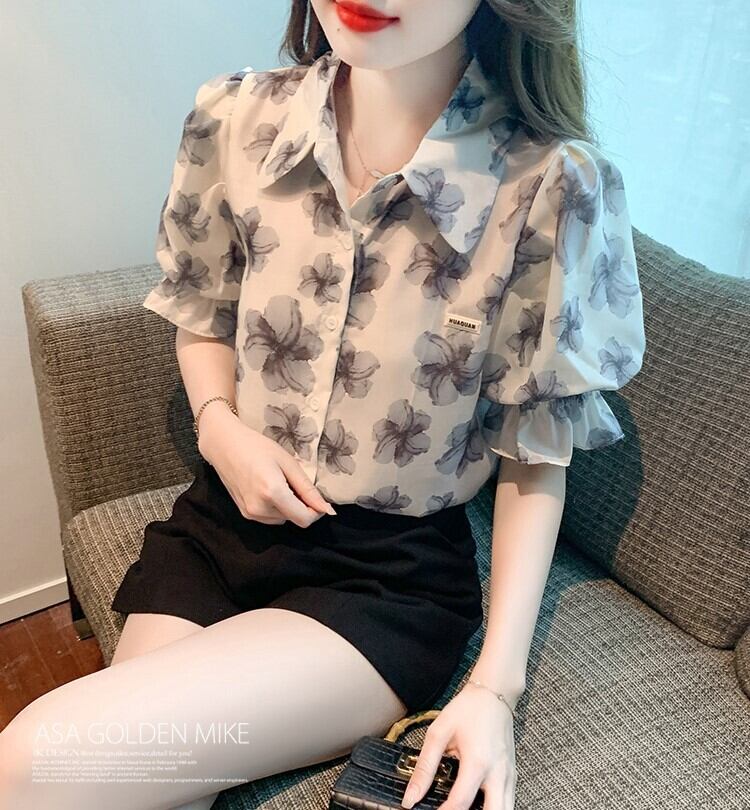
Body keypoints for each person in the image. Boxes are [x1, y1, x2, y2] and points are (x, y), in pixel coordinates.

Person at [0, 1, 646, 808]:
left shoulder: (551, 187)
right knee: (135, 791)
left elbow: (536, 450)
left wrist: (494, 690)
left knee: (35, 760)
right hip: (219, 528)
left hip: (382, 580)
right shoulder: (235, 117)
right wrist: (219, 428)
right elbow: (203, 311)